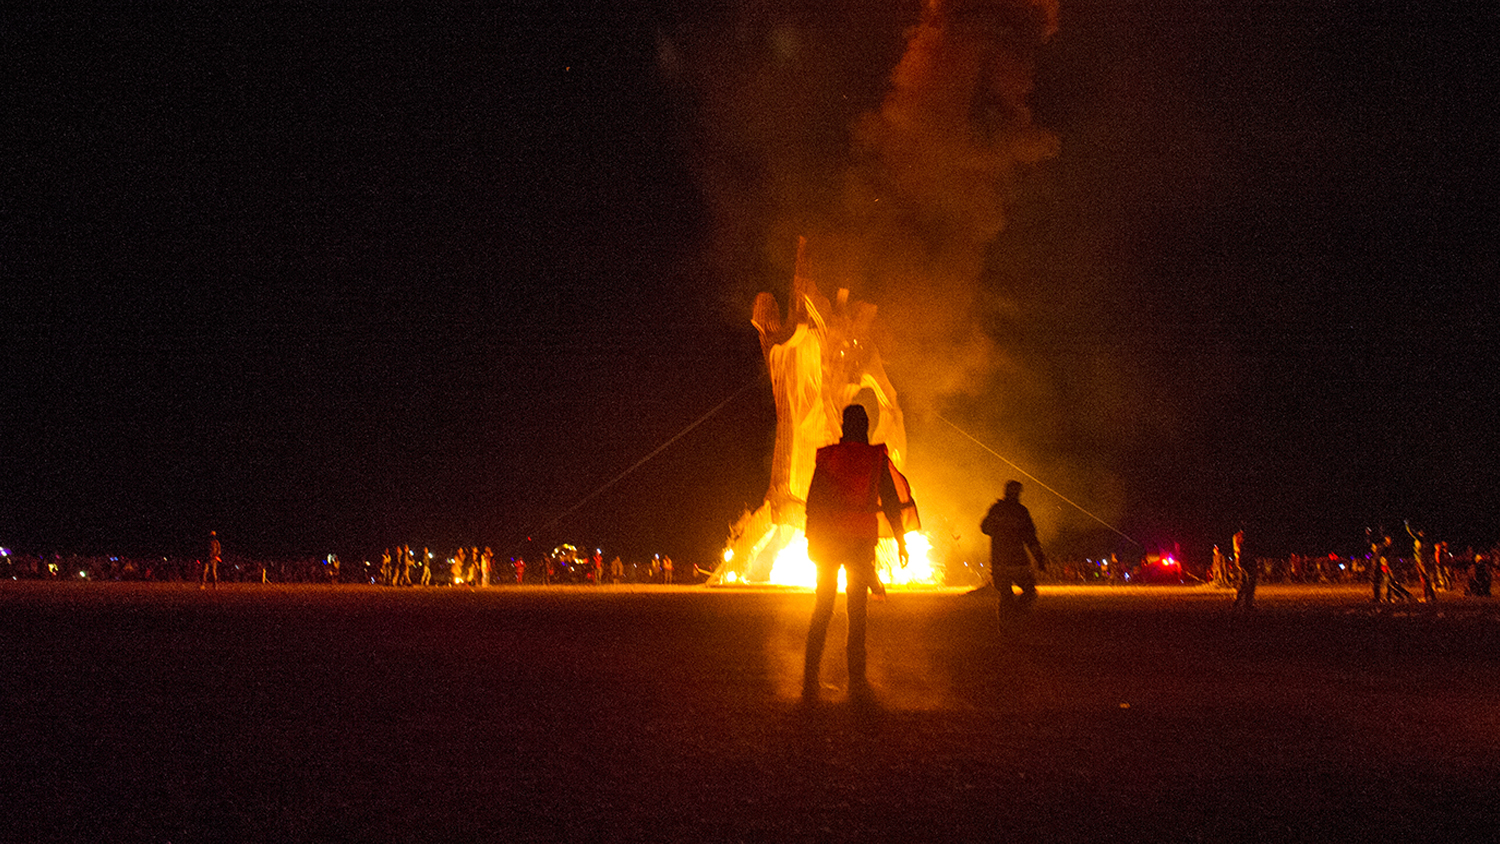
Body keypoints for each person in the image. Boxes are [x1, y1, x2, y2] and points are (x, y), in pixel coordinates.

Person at [802, 404, 917, 701]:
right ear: (865, 426)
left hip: (829, 540)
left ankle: (810, 676)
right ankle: (856, 678)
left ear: (843, 425)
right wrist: (901, 541)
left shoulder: (828, 456)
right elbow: (891, 501)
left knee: (823, 607)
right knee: (857, 612)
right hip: (859, 542)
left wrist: (811, 538)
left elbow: (814, 500)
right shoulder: (875, 458)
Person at [981, 481, 1047, 614]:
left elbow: (984, 528)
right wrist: (1039, 558)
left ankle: (1007, 624)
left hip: (999, 561)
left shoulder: (997, 509)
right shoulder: (1021, 512)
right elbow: (1030, 538)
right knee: (1029, 590)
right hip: (1018, 561)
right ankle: (1017, 615)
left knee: (1006, 595)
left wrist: (999, 530)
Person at [1230, 526, 1255, 611]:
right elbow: (1238, 548)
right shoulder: (1239, 537)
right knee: (1247, 581)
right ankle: (1243, 602)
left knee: (1246, 582)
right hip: (1242, 559)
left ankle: (1242, 602)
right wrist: (1239, 560)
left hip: (1244, 559)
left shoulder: (1239, 536)